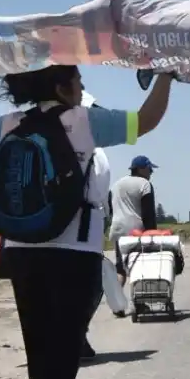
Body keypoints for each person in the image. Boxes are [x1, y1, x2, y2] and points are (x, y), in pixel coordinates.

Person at [0, 65, 173, 379]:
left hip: (21, 246)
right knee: (67, 339)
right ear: (62, 86)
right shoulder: (83, 121)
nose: (82, 87)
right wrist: (166, 76)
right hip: (73, 249)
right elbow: (146, 121)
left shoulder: (10, 123)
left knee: (37, 339)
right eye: (78, 81)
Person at [107, 155, 159, 316]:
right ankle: (139, 303)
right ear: (142, 169)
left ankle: (117, 305)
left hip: (117, 229)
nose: (151, 172)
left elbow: (109, 208)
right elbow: (148, 213)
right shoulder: (144, 184)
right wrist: (152, 234)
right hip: (135, 231)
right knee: (139, 265)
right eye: (150, 169)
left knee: (121, 268)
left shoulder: (117, 184)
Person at [80, 146, 111, 362]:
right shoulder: (95, 151)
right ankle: (77, 336)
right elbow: (99, 194)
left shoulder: (23, 127)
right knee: (91, 286)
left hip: (23, 234)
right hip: (78, 233)